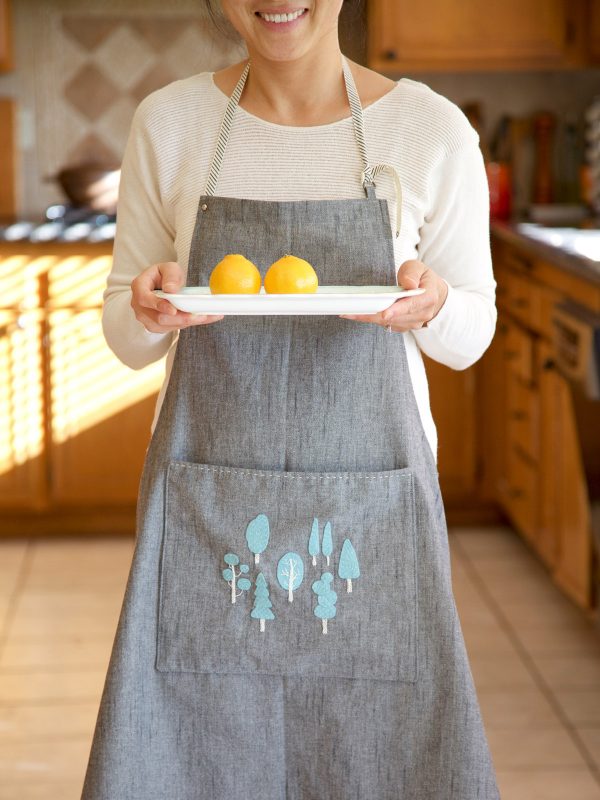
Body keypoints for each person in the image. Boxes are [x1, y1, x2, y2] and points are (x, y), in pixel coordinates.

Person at [82, 2, 499, 798]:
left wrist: (435, 305)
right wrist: (145, 309)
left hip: (372, 525)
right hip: (212, 523)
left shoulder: (430, 131)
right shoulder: (168, 125)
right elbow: (124, 333)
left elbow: (470, 331)